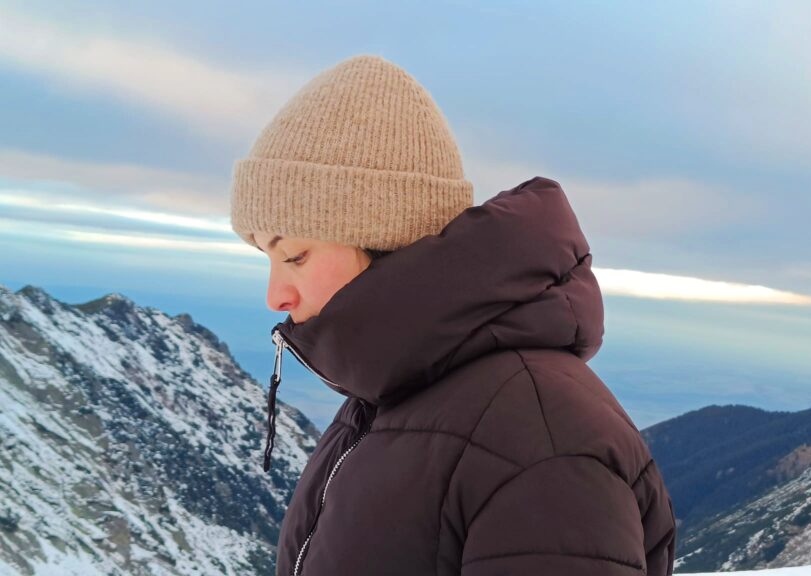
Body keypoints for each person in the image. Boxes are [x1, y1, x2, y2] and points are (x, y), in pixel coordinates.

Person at [230, 53, 676, 576]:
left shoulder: (542, 441)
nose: (275, 296)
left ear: (383, 233)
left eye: (294, 256)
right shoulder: (392, 396)